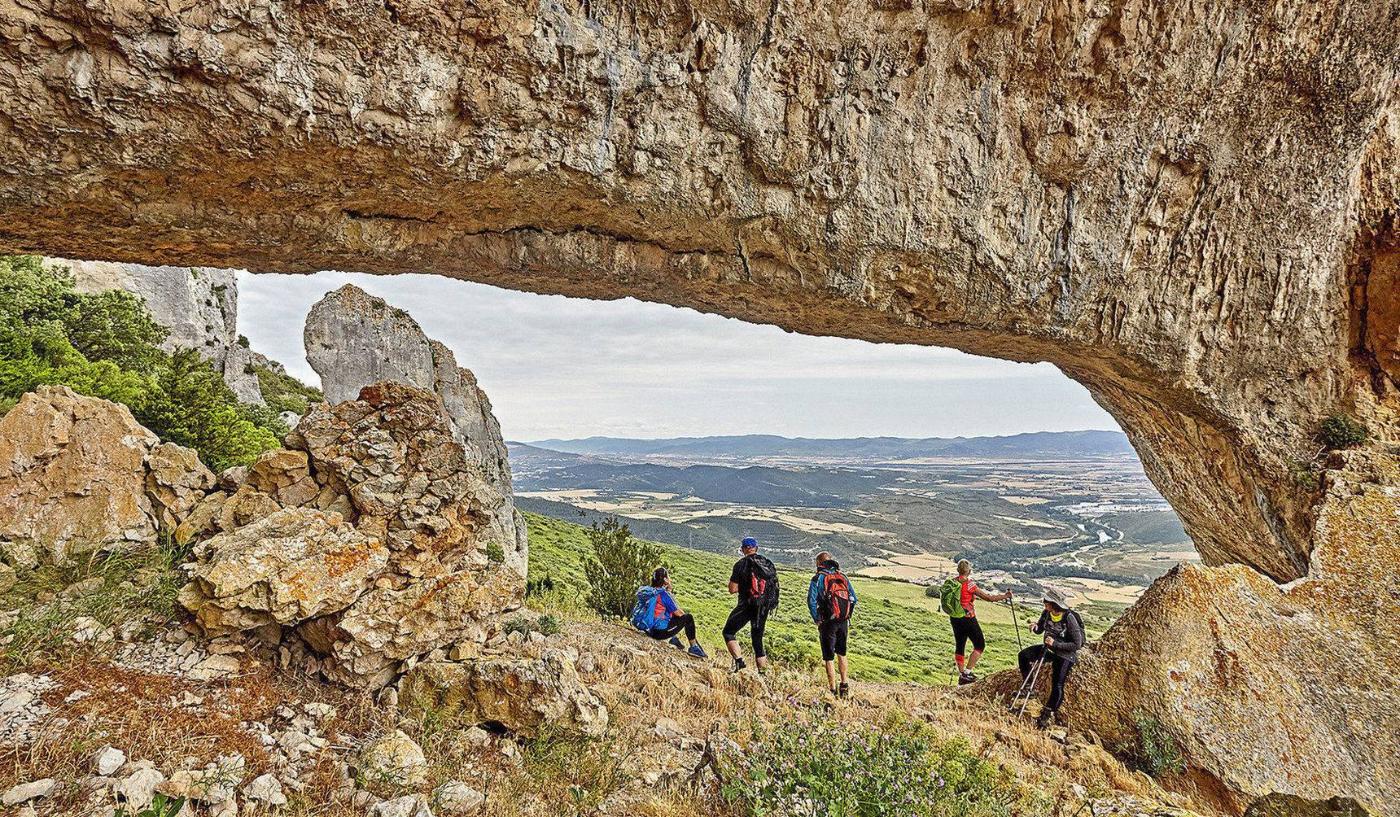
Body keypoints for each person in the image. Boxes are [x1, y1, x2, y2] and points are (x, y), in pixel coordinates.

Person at [1017, 587, 1085, 728]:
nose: (1044, 603)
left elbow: (1077, 644)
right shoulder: (1047, 613)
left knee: (1057, 683)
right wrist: (1035, 627)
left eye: (1046, 601)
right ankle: (1029, 687)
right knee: (1023, 656)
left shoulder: (1069, 618)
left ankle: (1049, 712)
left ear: (1054, 604)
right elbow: (1040, 629)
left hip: (1065, 654)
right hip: (1049, 649)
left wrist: (1056, 644)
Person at [947, 559, 1012, 685]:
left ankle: (961, 675)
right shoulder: (970, 585)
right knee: (980, 645)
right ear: (969, 571)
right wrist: (1006, 596)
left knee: (960, 645)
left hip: (955, 618)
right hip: (968, 618)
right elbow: (989, 598)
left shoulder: (952, 583)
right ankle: (967, 672)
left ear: (957, 570)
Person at [723, 537, 778, 673]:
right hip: (763, 607)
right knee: (757, 639)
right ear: (756, 548)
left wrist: (744, 585)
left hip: (746, 605)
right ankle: (763, 674)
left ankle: (739, 662)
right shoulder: (768, 563)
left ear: (743, 550)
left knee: (728, 632)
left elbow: (732, 589)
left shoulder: (740, 564)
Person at [807, 551, 856, 698]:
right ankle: (844, 685)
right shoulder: (843, 577)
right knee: (842, 653)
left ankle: (832, 690)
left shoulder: (818, 578)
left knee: (828, 657)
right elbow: (854, 598)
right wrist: (846, 614)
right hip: (843, 621)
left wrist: (817, 619)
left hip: (827, 622)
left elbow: (811, 601)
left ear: (819, 563)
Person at [631, 568, 708, 658]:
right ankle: (694, 648)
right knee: (688, 618)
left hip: (648, 629)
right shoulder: (664, 595)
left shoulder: (649, 591)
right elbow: (680, 614)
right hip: (659, 633)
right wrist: (669, 592)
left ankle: (673, 639)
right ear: (665, 580)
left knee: (666, 613)